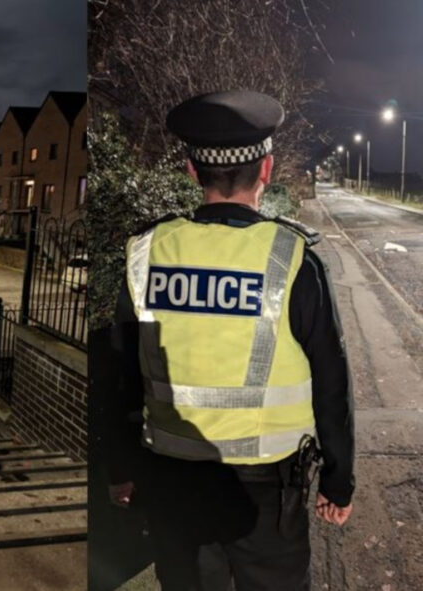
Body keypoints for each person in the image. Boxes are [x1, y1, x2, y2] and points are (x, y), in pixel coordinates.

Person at [107, 90, 354, 590]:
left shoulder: (146, 253)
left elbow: (121, 375)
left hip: (172, 481)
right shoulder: (292, 259)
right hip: (268, 494)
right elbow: (332, 381)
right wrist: (337, 481)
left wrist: (121, 467)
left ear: (192, 171)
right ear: (266, 169)